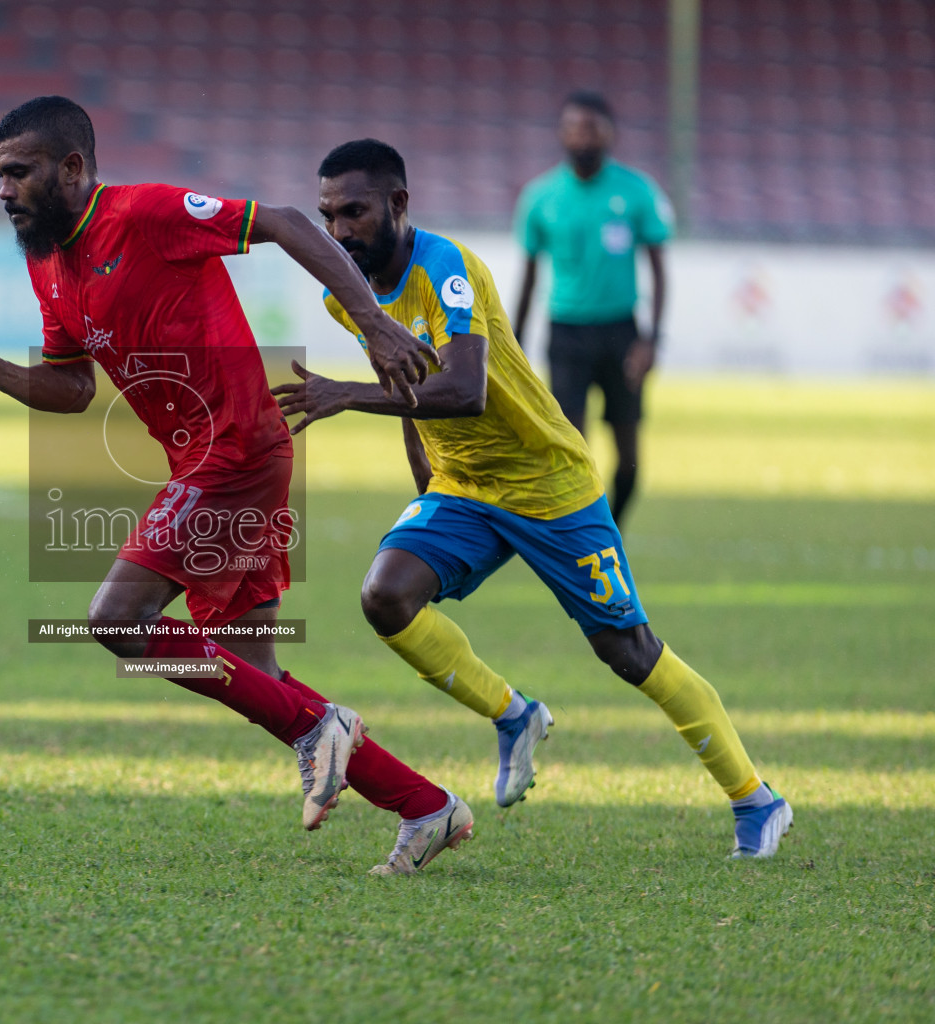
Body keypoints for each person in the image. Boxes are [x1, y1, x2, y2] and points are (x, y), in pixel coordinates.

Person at [0, 97, 464, 876]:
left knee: (118, 618)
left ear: (73, 168)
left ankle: (323, 727)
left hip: (238, 449)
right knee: (259, 674)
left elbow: (286, 221)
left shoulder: (147, 215)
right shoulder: (45, 256)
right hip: (205, 462)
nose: (4, 189)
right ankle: (425, 806)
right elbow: (74, 388)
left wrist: (373, 321)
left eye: (18, 172)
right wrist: (3, 376)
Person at [272, 139, 792, 858]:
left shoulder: (445, 268)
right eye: (328, 215)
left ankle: (756, 800)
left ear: (398, 204)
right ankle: (515, 715)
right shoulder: (346, 295)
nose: (339, 231)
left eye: (354, 212)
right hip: (464, 488)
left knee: (626, 648)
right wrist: (426, 492)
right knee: (385, 596)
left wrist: (343, 396)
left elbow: (463, 390)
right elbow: (402, 386)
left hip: (547, 483)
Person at [511, 91, 672, 525]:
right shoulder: (540, 197)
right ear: (562, 134)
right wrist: (514, 343)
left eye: (592, 128)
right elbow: (528, 277)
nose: (583, 137)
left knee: (630, 459)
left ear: (610, 134)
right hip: (566, 333)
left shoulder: (636, 191)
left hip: (622, 333)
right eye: (575, 128)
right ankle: (586, 538)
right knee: (573, 452)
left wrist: (651, 339)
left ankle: (611, 532)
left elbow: (658, 271)